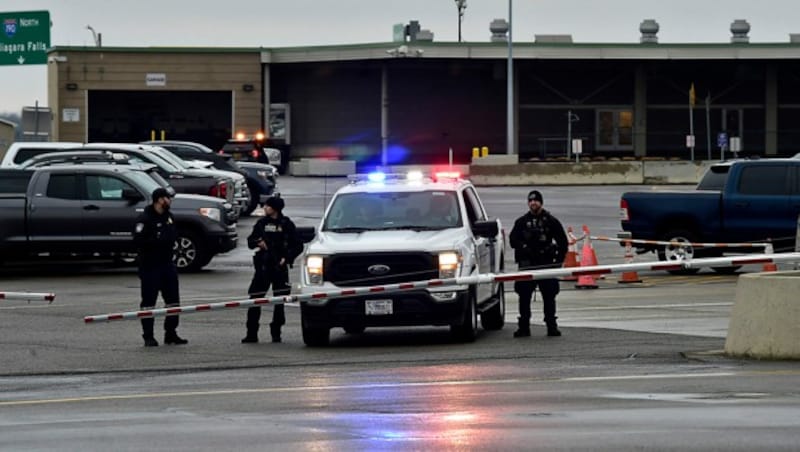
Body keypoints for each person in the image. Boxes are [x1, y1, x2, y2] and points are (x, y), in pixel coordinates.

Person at [242, 196, 303, 343]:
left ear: (274, 208)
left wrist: (286, 258)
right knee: (255, 299)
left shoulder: (286, 224)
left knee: (279, 301)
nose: (265, 208)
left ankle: (276, 332)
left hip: (279, 268)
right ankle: (251, 333)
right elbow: (250, 241)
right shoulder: (261, 224)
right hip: (263, 267)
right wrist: (259, 243)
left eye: (267, 206)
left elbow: (298, 245)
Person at [508, 189, 568, 338]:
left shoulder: (550, 221)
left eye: (536, 200)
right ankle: (524, 327)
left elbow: (563, 242)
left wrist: (558, 263)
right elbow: (512, 240)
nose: (533, 203)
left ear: (541, 202)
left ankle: (551, 326)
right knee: (524, 297)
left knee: (549, 296)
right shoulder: (521, 222)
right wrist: (524, 247)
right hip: (527, 265)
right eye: (530, 201)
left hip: (546, 264)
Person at [133, 187, 188, 347]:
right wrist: (157, 241)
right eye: (167, 198)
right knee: (149, 302)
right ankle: (148, 335)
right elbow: (138, 241)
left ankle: (171, 333)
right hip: (150, 266)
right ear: (160, 200)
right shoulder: (145, 219)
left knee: (173, 302)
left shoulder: (168, 217)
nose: (169, 201)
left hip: (167, 265)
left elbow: (173, 236)